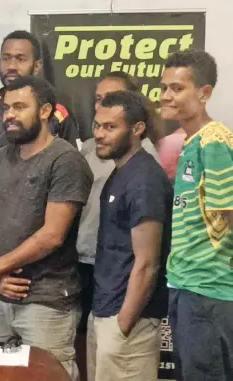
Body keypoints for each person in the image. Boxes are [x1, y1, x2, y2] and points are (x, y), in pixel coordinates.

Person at [0, 75, 92, 380]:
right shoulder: (0, 160)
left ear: (45, 111)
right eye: (6, 107)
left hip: (46, 301)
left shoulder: (65, 159)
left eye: (19, 106)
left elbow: (52, 236)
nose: (9, 114)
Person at [77, 71, 162, 381]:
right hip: (104, 312)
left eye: (110, 127)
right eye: (98, 125)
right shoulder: (119, 172)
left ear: (137, 129)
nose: (100, 134)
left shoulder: (144, 179)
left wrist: (122, 325)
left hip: (128, 323)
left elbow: (147, 263)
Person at [160, 50, 233, 381]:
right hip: (186, 286)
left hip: (208, 291)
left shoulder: (215, 141)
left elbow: (229, 213)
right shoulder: (192, 142)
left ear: (204, 94)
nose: (166, 96)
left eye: (177, 88)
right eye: (164, 87)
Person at [0, 30, 81, 162]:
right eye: (6, 59)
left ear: (37, 66)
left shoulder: (57, 113)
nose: (12, 66)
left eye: (21, 59)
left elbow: (71, 166)